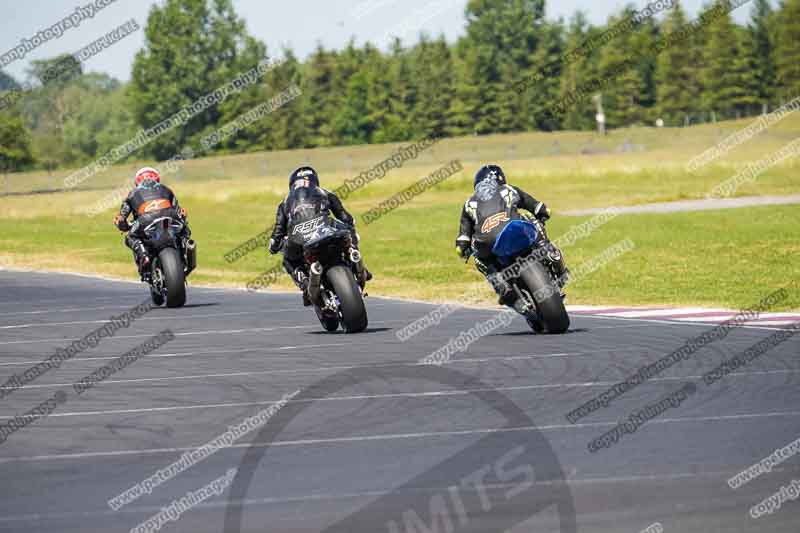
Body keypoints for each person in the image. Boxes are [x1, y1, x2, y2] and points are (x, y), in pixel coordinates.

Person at [455, 164, 569, 310]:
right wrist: (544, 213)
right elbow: (537, 207)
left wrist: (462, 250)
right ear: (501, 178)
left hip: (489, 243)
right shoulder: (508, 189)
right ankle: (549, 252)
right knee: (530, 218)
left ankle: (499, 282)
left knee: (478, 256)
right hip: (515, 230)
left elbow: (463, 239)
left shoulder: (469, 203)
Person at [268, 166, 371, 305]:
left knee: (288, 260)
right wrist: (351, 231)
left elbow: (278, 231)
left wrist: (273, 247)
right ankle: (355, 258)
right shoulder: (325, 192)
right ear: (315, 180)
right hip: (326, 228)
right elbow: (345, 217)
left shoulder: (284, 202)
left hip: (300, 237)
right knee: (349, 235)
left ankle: (305, 284)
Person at [114, 167, 190, 277]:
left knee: (130, 237)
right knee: (183, 228)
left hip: (145, 220)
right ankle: (185, 249)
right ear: (157, 179)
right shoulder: (166, 189)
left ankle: (144, 256)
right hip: (169, 216)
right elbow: (180, 212)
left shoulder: (132, 193)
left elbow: (121, 219)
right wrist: (183, 225)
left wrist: (123, 226)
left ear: (137, 181)